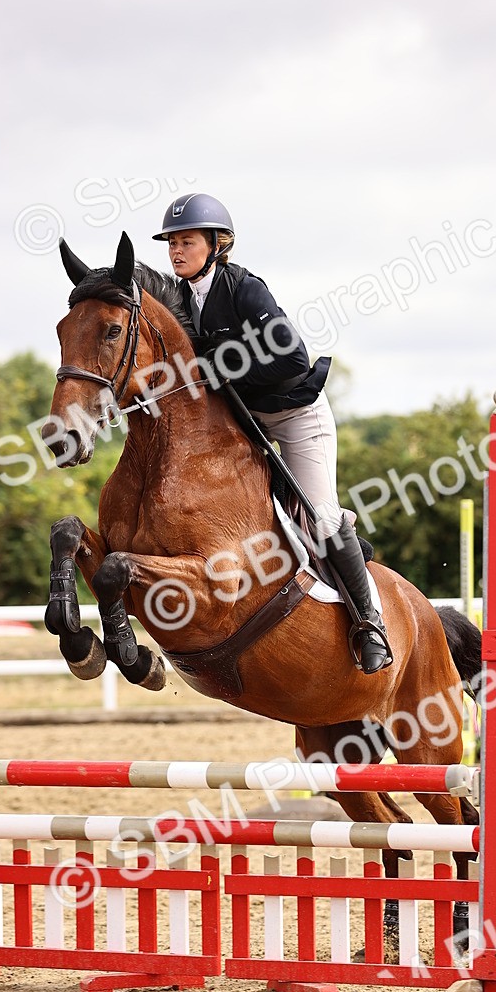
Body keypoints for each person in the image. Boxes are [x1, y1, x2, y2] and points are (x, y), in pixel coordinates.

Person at [147, 192, 392, 674]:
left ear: (217, 244)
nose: (176, 251)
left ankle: (370, 623)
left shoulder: (245, 289)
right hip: (249, 422)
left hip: (297, 416)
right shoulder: (182, 299)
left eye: (186, 241)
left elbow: (291, 359)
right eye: (171, 242)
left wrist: (220, 369)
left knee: (320, 518)